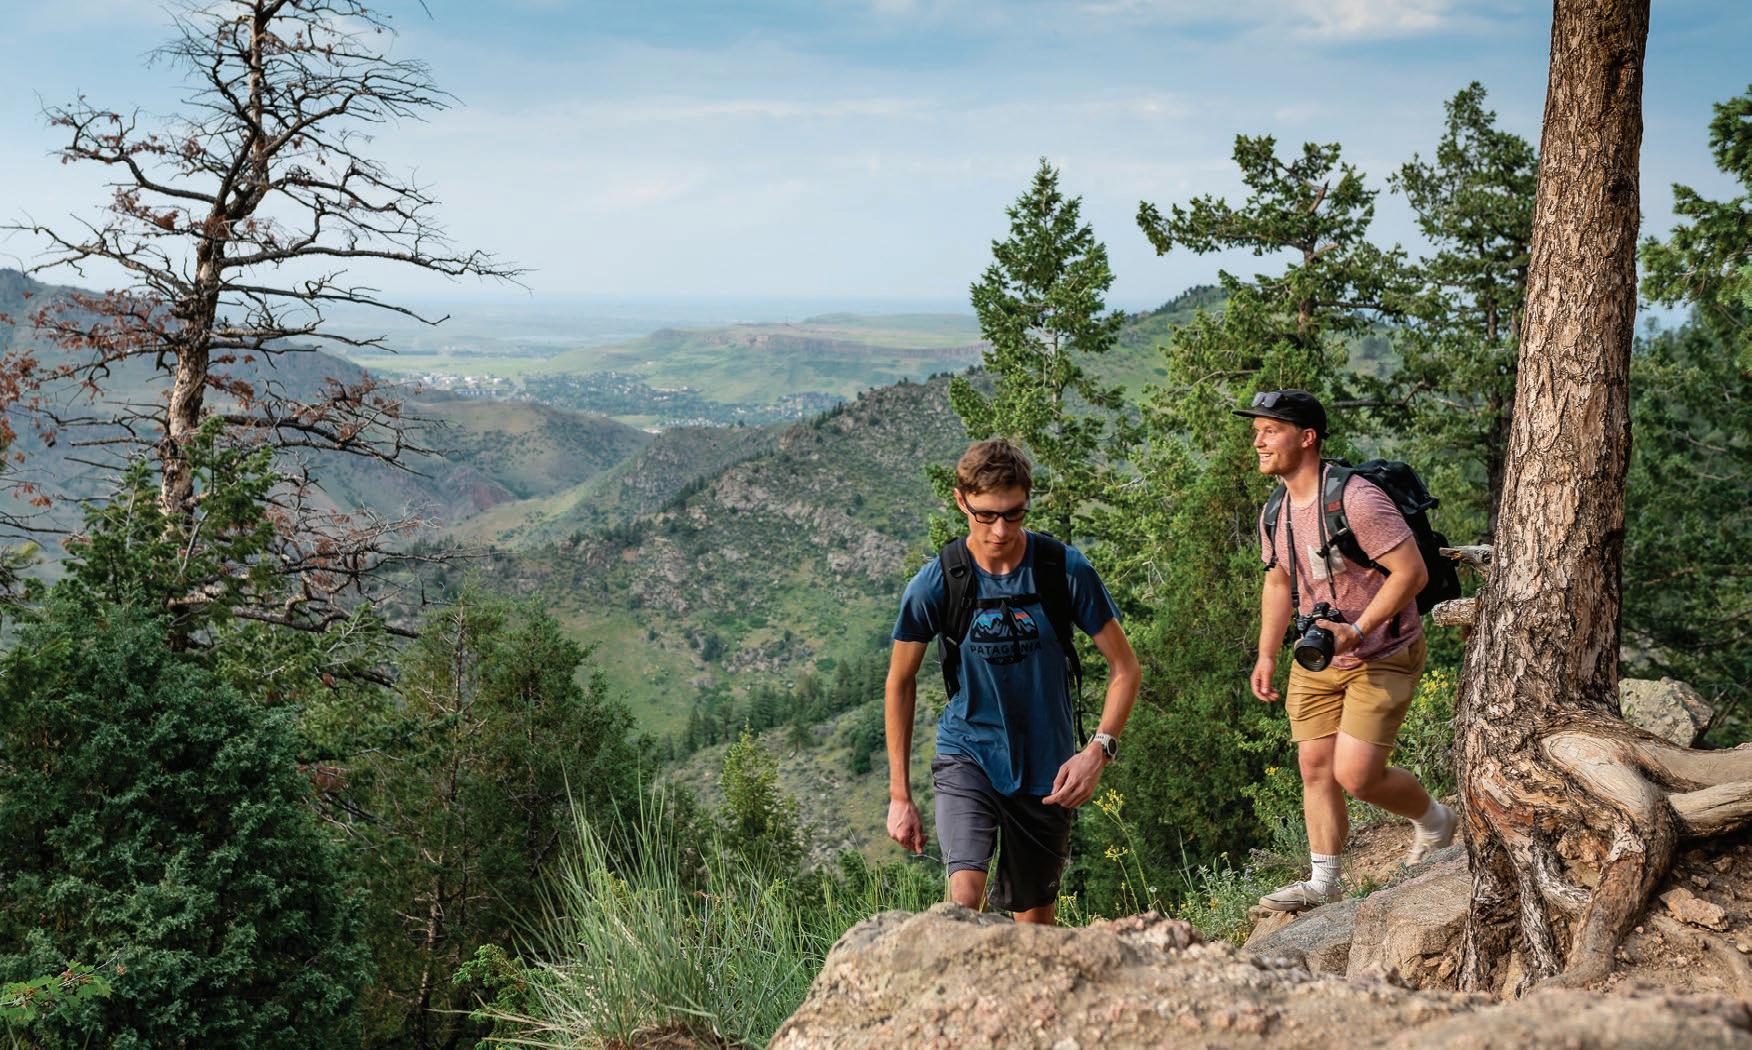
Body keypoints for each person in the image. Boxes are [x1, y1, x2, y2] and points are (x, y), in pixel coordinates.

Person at [884, 438, 1140, 924]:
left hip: (1046, 769)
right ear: (961, 501)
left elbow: (1126, 668)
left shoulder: (1062, 570)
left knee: (1034, 928)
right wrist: (900, 795)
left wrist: (1097, 751)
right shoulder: (938, 582)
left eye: (1014, 514)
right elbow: (900, 682)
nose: (1001, 529)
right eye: (986, 515)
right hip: (968, 753)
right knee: (963, 903)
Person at [1238, 389, 1458, 913]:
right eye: (1257, 432)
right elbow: (1278, 582)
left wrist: (1357, 630)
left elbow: (1411, 573)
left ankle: (1436, 821)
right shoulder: (1276, 510)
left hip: (1382, 649)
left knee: (1356, 775)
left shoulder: (1356, 500)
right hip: (1319, 654)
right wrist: (1267, 654)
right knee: (1314, 766)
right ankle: (1323, 883)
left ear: (1307, 437)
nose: (1259, 442)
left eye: (1271, 431)